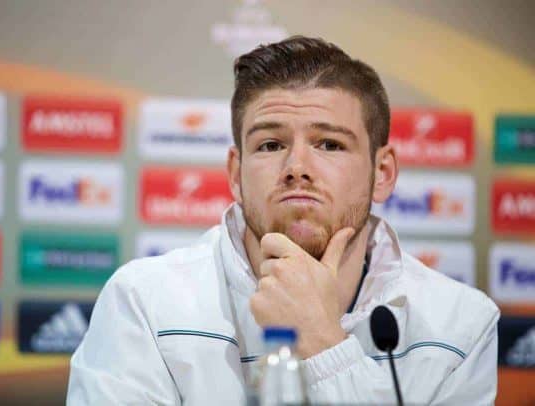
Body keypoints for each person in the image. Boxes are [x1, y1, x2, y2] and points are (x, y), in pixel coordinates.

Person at [67, 36, 499, 405]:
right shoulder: (143, 303)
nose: (297, 166)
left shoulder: (460, 327)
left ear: (382, 173)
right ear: (236, 174)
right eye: (271, 144)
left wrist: (323, 343)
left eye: (329, 144)